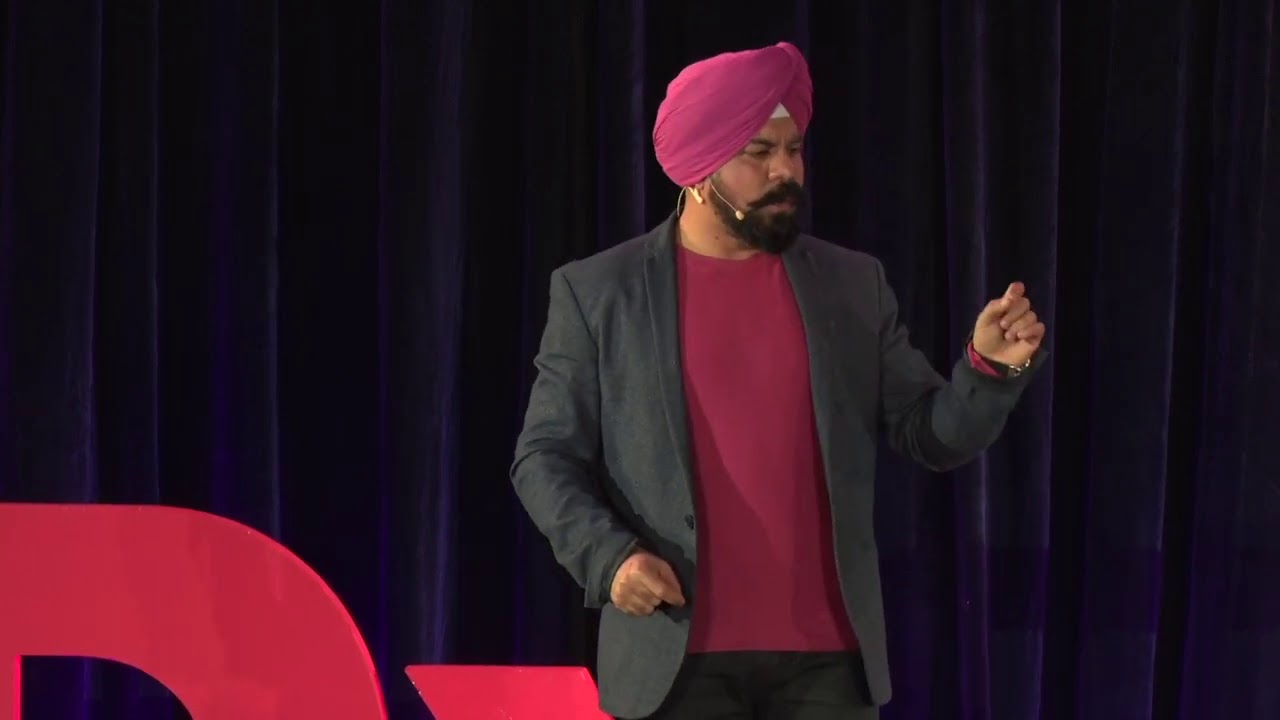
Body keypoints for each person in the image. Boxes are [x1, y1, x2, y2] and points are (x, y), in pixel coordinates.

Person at [510, 41, 1047, 720]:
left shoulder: (850, 285)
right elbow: (543, 458)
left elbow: (929, 433)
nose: (786, 171)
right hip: (674, 661)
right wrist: (611, 560)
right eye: (759, 153)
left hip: (827, 668)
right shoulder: (599, 294)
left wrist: (990, 370)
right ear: (699, 171)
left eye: (794, 150)